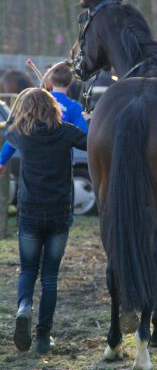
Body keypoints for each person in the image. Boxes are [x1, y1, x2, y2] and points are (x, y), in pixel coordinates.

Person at [0, 88, 87, 354]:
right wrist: (85, 116)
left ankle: (24, 307)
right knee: (50, 277)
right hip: (59, 213)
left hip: (29, 212)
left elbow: (4, 150)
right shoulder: (67, 132)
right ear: (54, 107)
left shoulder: (19, 134)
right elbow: (93, 142)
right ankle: (41, 337)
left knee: (28, 270)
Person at [0, 60, 88, 170]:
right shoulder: (74, 107)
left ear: (50, 80)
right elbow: (86, 135)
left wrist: (2, 161)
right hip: (60, 170)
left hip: (34, 168)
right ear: (70, 82)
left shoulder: (36, 103)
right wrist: (88, 120)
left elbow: (15, 134)